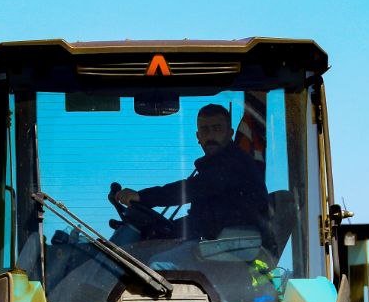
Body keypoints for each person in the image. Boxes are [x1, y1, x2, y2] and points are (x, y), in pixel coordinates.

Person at [114, 104, 268, 243]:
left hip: (232, 252)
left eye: (217, 129)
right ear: (198, 137)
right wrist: (160, 231)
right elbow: (200, 221)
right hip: (214, 246)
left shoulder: (234, 164)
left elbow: (196, 188)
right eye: (205, 130)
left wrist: (144, 197)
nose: (211, 136)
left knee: (157, 264)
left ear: (230, 133)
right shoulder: (212, 169)